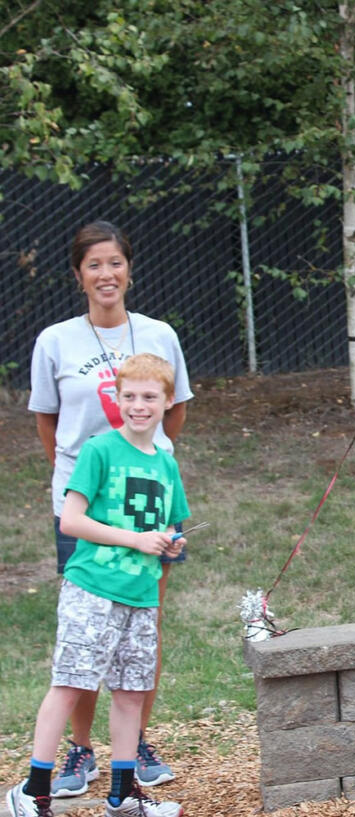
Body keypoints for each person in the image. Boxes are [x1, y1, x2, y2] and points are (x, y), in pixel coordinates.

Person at [27, 221, 192, 796]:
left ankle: (135, 744)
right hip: (83, 508)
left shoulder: (158, 334)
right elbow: (48, 422)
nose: (106, 275)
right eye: (94, 265)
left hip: (146, 510)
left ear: (129, 269)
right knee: (86, 633)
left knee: (142, 627)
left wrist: (145, 465)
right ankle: (80, 752)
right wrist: (82, 480)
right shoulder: (54, 341)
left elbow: (175, 413)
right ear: (78, 275)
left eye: (115, 263)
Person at [7, 353, 190, 817]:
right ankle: (32, 792)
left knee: (130, 694)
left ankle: (123, 796)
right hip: (92, 590)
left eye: (150, 397)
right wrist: (134, 539)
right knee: (69, 683)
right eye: (129, 396)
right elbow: (71, 520)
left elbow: (169, 527)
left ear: (168, 401)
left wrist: (169, 543)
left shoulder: (166, 465)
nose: (139, 405)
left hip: (141, 596)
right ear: (115, 399)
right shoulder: (99, 450)